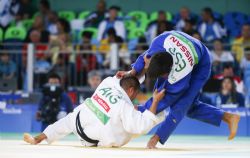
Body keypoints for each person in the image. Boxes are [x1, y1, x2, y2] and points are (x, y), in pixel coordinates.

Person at [116, 30, 240, 148]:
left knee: (183, 104)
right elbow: (145, 57)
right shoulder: (158, 43)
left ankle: (228, 117)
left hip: (201, 63)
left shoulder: (180, 76)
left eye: (162, 76)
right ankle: (228, 117)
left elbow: (172, 106)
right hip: (179, 42)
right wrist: (132, 72)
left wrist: (157, 135)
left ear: (170, 71)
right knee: (190, 108)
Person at [23, 76, 165, 147]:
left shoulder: (107, 83)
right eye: (134, 94)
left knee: (67, 121)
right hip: (92, 140)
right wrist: (156, 101)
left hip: (78, 120)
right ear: (131, 90)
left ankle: (39, 137)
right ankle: (159, 115)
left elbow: (118, 77)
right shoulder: (123, 105)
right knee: (131, 127)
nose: (133, 98)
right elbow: (141, 126)